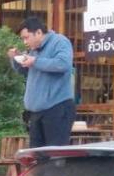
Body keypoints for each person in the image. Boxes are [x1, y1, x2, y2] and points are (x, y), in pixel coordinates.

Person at [9, 16, 75, 148]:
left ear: (38, 32)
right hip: (36, 111)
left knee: (55, 156)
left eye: (26, 37)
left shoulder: (60, 42)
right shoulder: (33, 50)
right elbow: (28, 72)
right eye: (23, 38)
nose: (25, 41)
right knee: (37, 156)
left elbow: (63, 64)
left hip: (57, 107)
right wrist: (16, 59)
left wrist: (35, 61)